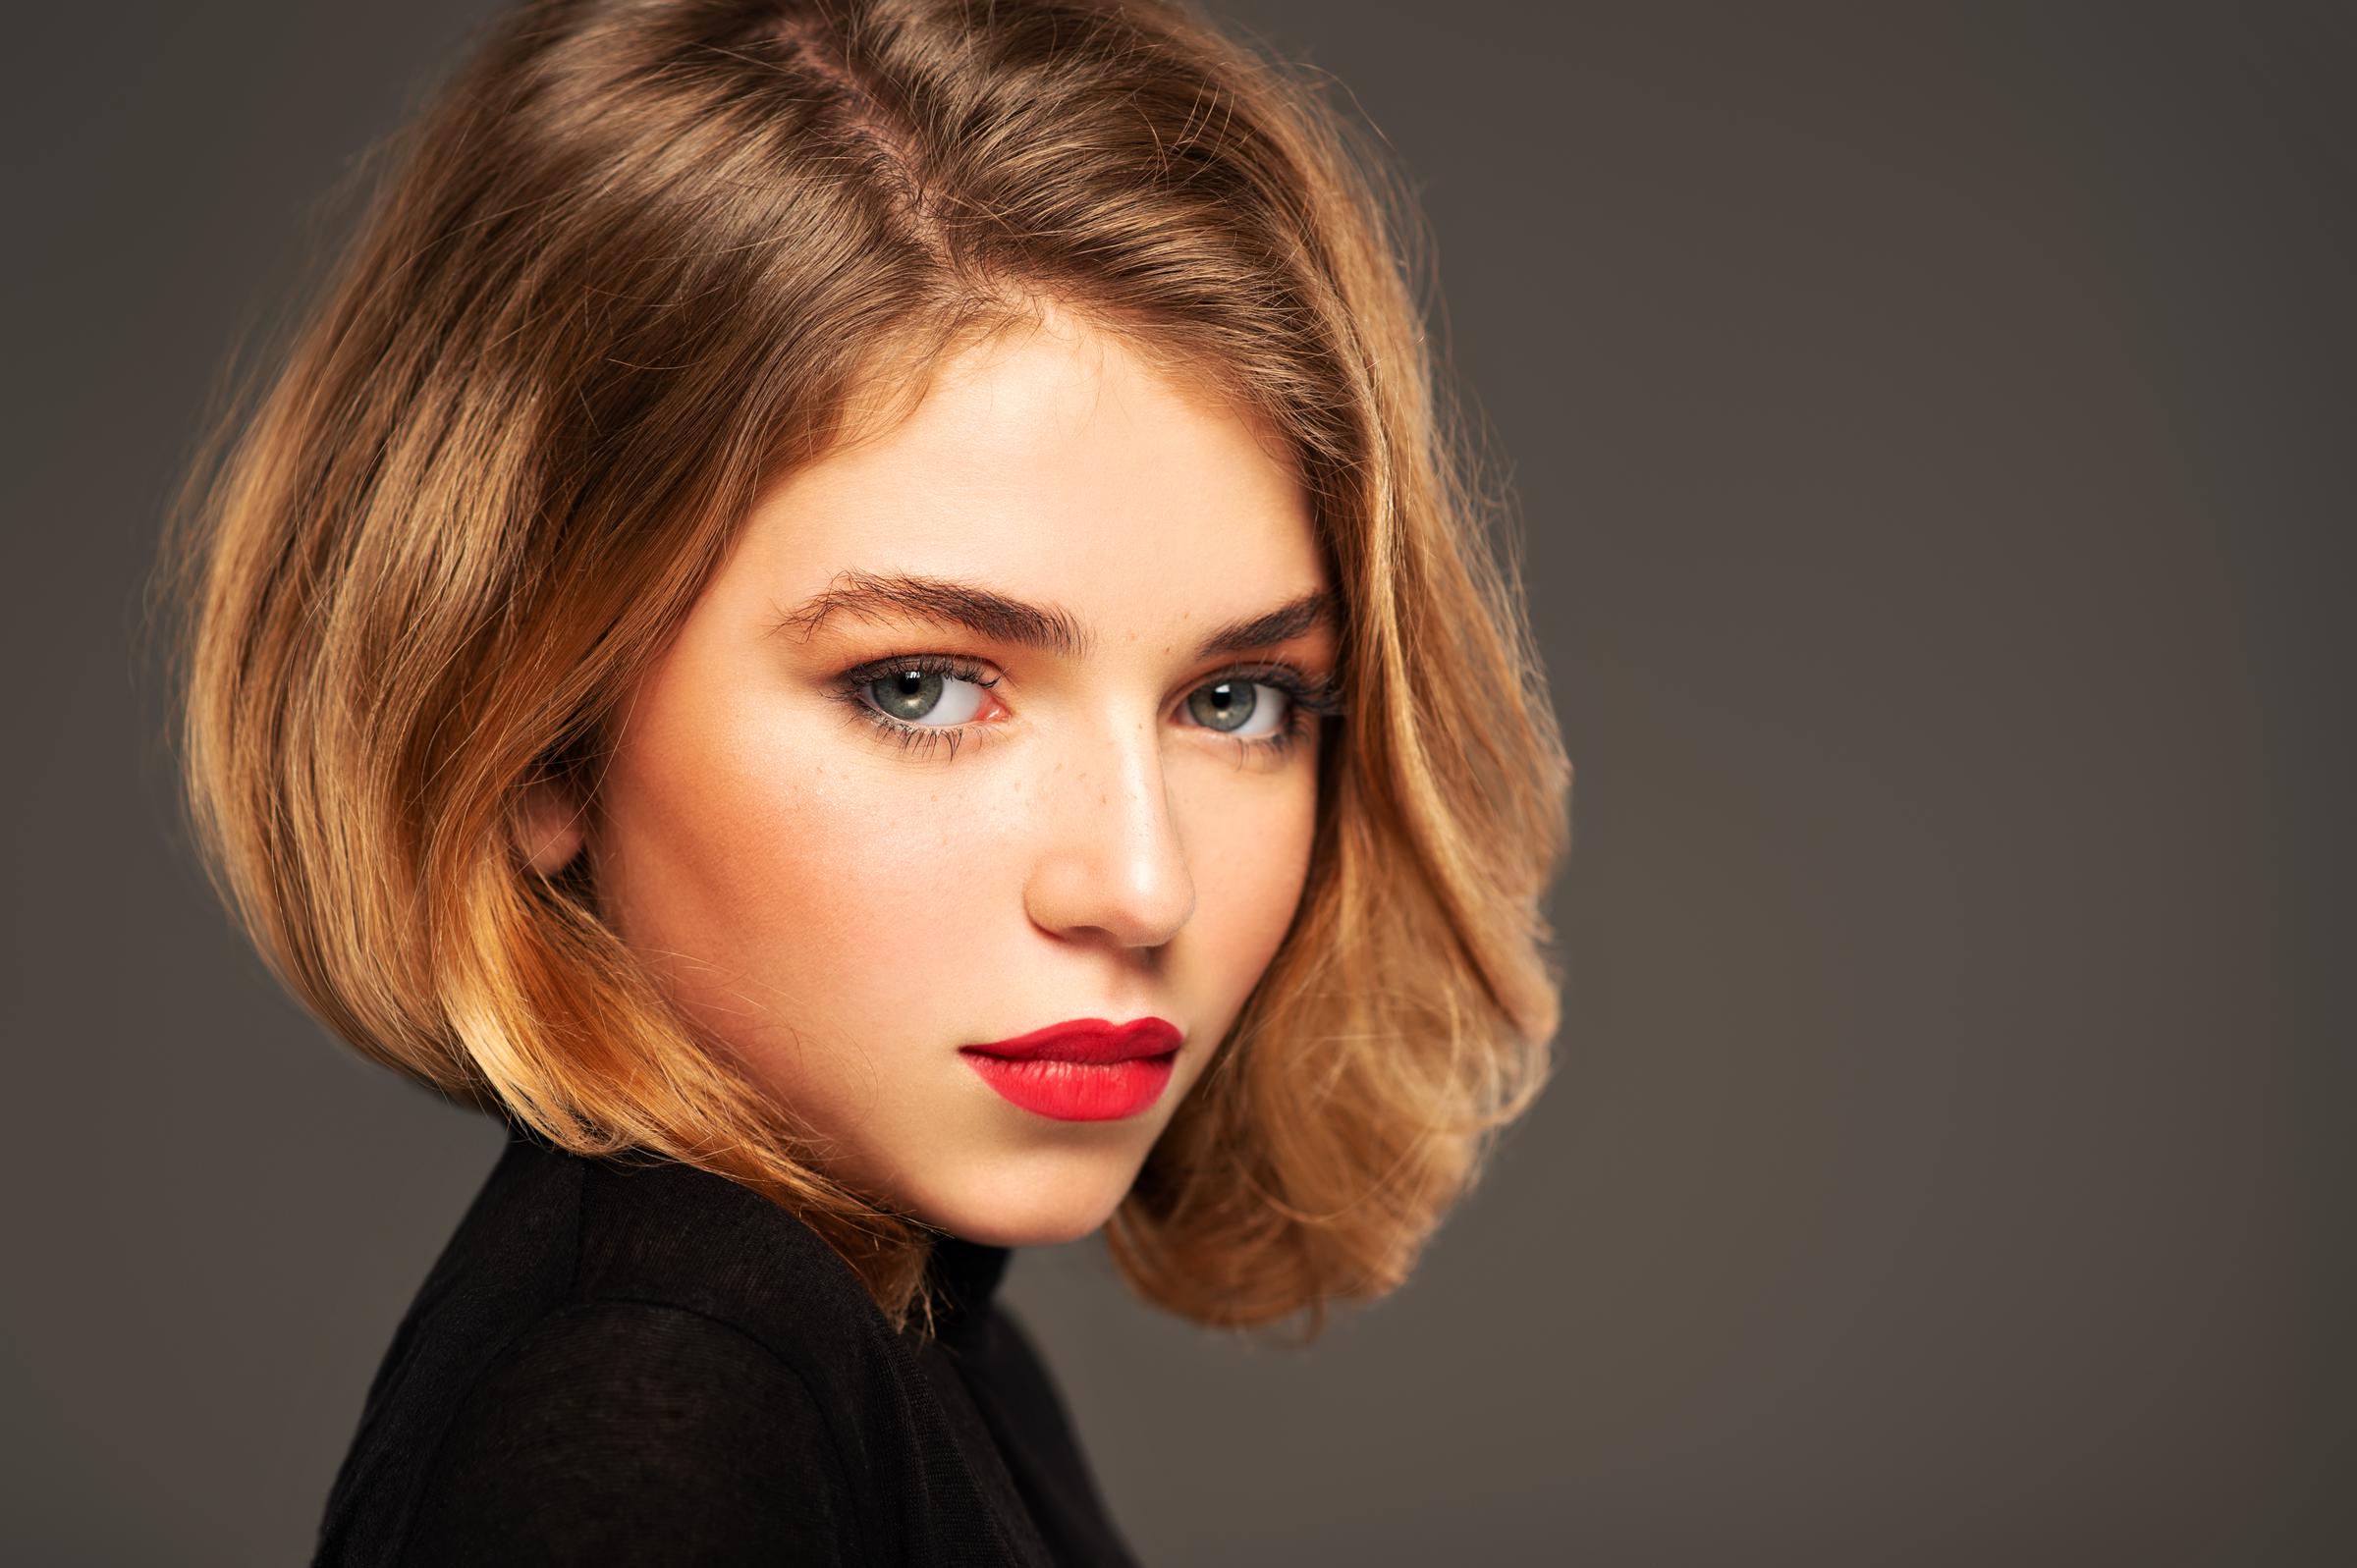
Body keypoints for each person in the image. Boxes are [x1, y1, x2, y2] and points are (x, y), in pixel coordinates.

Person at [157, 0, 1572, 1561]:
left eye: (1235, 700)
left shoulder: (896, 1338)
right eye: (920, 686)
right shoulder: (661, 1413)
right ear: (533, 729)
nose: (1140, 880)